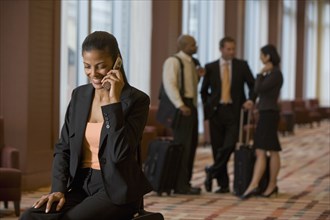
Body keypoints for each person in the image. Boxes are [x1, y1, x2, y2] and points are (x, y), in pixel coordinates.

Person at [20, 31, 152, 220]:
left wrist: (113, 102)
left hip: (116, 190)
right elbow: (63, 148)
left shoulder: (137, 101)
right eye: (87, 66)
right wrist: (58, 190)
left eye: (101, 66)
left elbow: (119, 153)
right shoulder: (79, 96)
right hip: (80, 184)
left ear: (117, 62)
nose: (94, 74)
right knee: (31, 216)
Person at [201, 36, 255, 194]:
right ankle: (223, 184)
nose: (232, 52)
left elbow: (252, 85)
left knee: (229, 145)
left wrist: (251, 99)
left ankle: (211, 170)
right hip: (216, 113)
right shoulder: (210, 67)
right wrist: (208, 106)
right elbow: (203, 91)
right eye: (229, 49)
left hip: (234, 111)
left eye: (233, 48)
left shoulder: (242, 66)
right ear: (221, 49)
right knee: (217, 147)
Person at [158, 34, 204, 195]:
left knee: (191, 145)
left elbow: (190, 85)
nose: (196, 47)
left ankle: (186, 182)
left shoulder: (191, 62)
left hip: (191, 105)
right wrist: (180, 104)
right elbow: (170, 84)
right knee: (183, 147)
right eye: (193, 45)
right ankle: (179, 184)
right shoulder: (173, 61)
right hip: (182, 107)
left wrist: (198, 77)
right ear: (183, 46)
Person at [241, 44, 283, 199]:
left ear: (268, 56)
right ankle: (260, 184)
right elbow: (258, 92)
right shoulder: (271, 73)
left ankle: (267, 184)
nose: (260, 58)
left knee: (269, 150)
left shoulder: (276, 74)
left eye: (261, 55)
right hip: (265, 114)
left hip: (269, 115)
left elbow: (258, 89)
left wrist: (260, 73)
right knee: (262, 150)